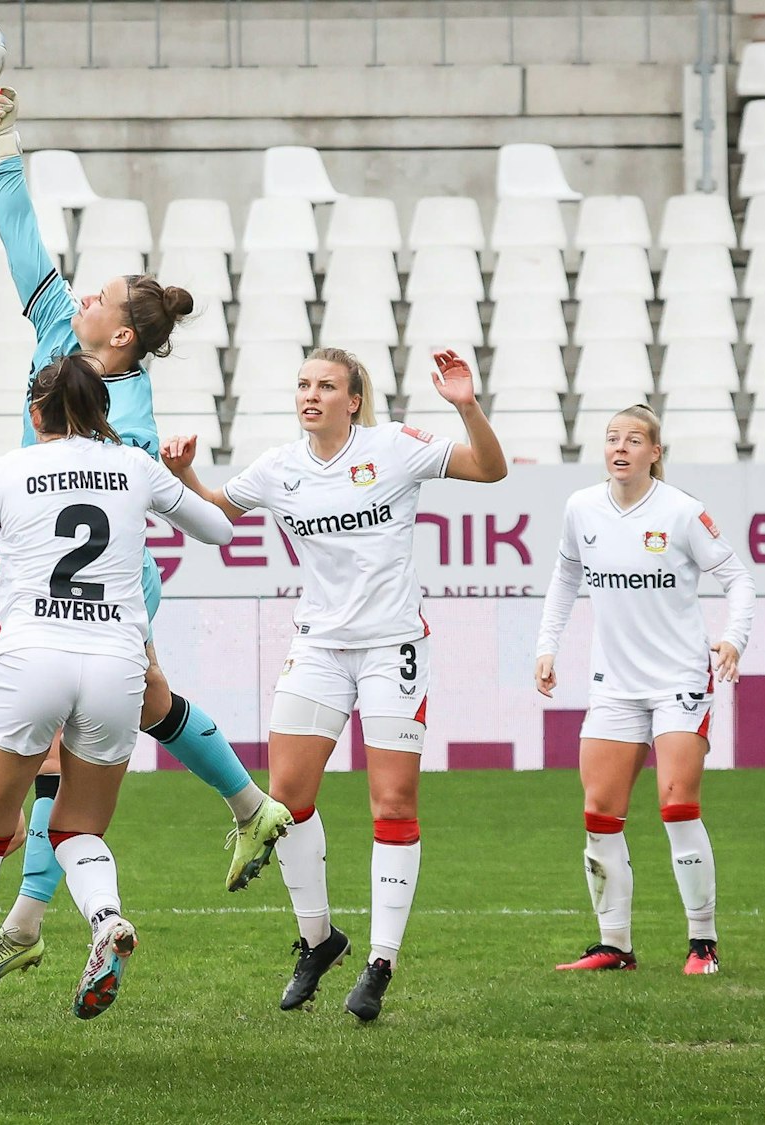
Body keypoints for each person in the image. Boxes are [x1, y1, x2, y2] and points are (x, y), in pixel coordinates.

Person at [0, 85, 292, 985]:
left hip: (101, 580)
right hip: (68, 579)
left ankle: (31, 920)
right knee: (132, 716)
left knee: (52, 753)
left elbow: (129, 492)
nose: (80, 290)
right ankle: (248, 803)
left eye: (98, 292)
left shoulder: (127, 410)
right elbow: (20, 230)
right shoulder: (58, 328)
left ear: (119, 330)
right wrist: (3, 141)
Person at [162, 347, 508, 1021]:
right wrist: (184, 475)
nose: (310, 394)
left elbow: (490, 470)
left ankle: (380, 962)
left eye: (326, 385)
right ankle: (318, 939)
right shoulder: (279, 466)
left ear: (353, 399)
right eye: (302, 384)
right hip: (318, 646)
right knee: (285, 802)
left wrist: (466, 405)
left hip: (392, 647)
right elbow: (215, 519)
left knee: (393, 803)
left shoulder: (396, 447)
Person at [0, 356, 237, 1053]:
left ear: (38, 415)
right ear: (102, 410)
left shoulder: (7, 470)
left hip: (30, 656)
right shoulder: (133, 466)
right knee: (77, 826)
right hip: (115, 663)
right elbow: (219, 530)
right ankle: (104, 919)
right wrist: (179, 475)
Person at [534, 404, 756, 976]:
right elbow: (565, 577)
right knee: (599, 813)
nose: (620, 447)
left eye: (634, 439)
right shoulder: (581, 508)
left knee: (677, 805)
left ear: (655, 452)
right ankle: (615, 947)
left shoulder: (682, 513)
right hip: (614, 684)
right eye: (612, 439)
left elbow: (738, 579)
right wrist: (546, 646)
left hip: (680, 678)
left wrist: (733, 638)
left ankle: (702, 944)